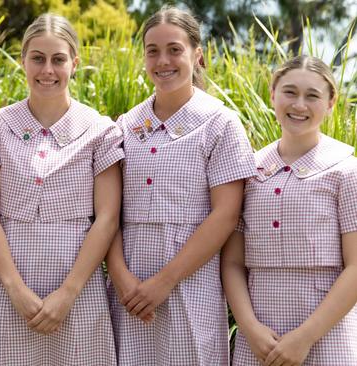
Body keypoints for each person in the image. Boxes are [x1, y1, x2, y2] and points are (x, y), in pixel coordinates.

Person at [105, 6, 256, 365]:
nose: (163, 61)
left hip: (192, 286)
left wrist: (163, 282)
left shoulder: (220, 123)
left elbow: (226, 214)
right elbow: (108, 211)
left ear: (197, 55)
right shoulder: (125, 125)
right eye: (152, 51)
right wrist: (121, 277)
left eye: (175, 49)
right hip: (128, 291)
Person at [0, 13, 122, 365]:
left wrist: (68, 294)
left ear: (75, 63)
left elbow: (107, 217)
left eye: (58, 59)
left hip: (77, 289)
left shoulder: (99, 131)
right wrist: (15, 290)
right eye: (37, 58)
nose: (47, 70)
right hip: (8, 291)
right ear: (23, 60)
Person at [222, 55, 357, 365]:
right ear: (272, 93)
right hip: (258, 340)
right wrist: (250, 328)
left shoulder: (347, 172)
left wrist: (305, 337)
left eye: (312, 96)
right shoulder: (249, 171)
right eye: (290, 92)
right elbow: (232, 262)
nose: (299, 105)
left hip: (327, 336)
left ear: (331, 102)